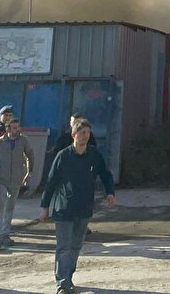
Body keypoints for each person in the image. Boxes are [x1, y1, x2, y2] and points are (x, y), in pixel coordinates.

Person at [40, 119, 116, 294]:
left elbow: (105, 175)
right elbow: (51, 182)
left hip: (84, 209)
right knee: (64, 247)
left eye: (88, 133)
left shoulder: (94, 155)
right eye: (82, 133)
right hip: (63, 209)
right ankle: (62, 284)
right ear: (74, 135)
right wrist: (45, 206)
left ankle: (68, 277)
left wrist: (110, 193)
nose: (85, 136)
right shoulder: (63, 156)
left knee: (76, 246)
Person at [0, 119, 34, 252]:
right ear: (8, 129)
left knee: (10, 207)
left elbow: (30, 155)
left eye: (18, 127)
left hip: (17, 179)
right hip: (1, 178)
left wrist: (29, 172)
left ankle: (6, 234)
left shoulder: (23, 141)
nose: (18, 130)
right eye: (14, 128)